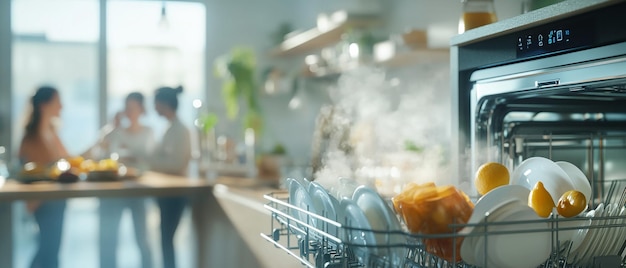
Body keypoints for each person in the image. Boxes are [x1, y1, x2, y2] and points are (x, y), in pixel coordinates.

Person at [97, 92, 154, 268]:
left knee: (142, 239)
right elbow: (101, 152)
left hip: (137, 189)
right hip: (115, 190)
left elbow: (150, 160)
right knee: (109, 240)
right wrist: (113, 126)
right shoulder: (116, 132)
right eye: (126, 107)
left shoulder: (148, 132)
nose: (128, 111)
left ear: (141, 109)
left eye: (132, 107)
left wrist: (133, 157)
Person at [18, 86, 68, 268]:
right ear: (44, 105)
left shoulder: (51, 133)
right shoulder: (31, 138)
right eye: (57, 102)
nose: (61, 106)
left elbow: (69, 160)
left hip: (57, 199)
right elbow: (31, 174)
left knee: (50, 250)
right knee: (48, 251)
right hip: (43, 202)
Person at [149, 86, 191, 268]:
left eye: (156, 103)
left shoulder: (180, 130)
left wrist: (149, 163)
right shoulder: (169, 128)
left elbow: (177, 165)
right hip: (166, 193)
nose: (154, 108)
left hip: (175, 193)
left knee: (167, 239)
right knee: (165, 239)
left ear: (164, 104)